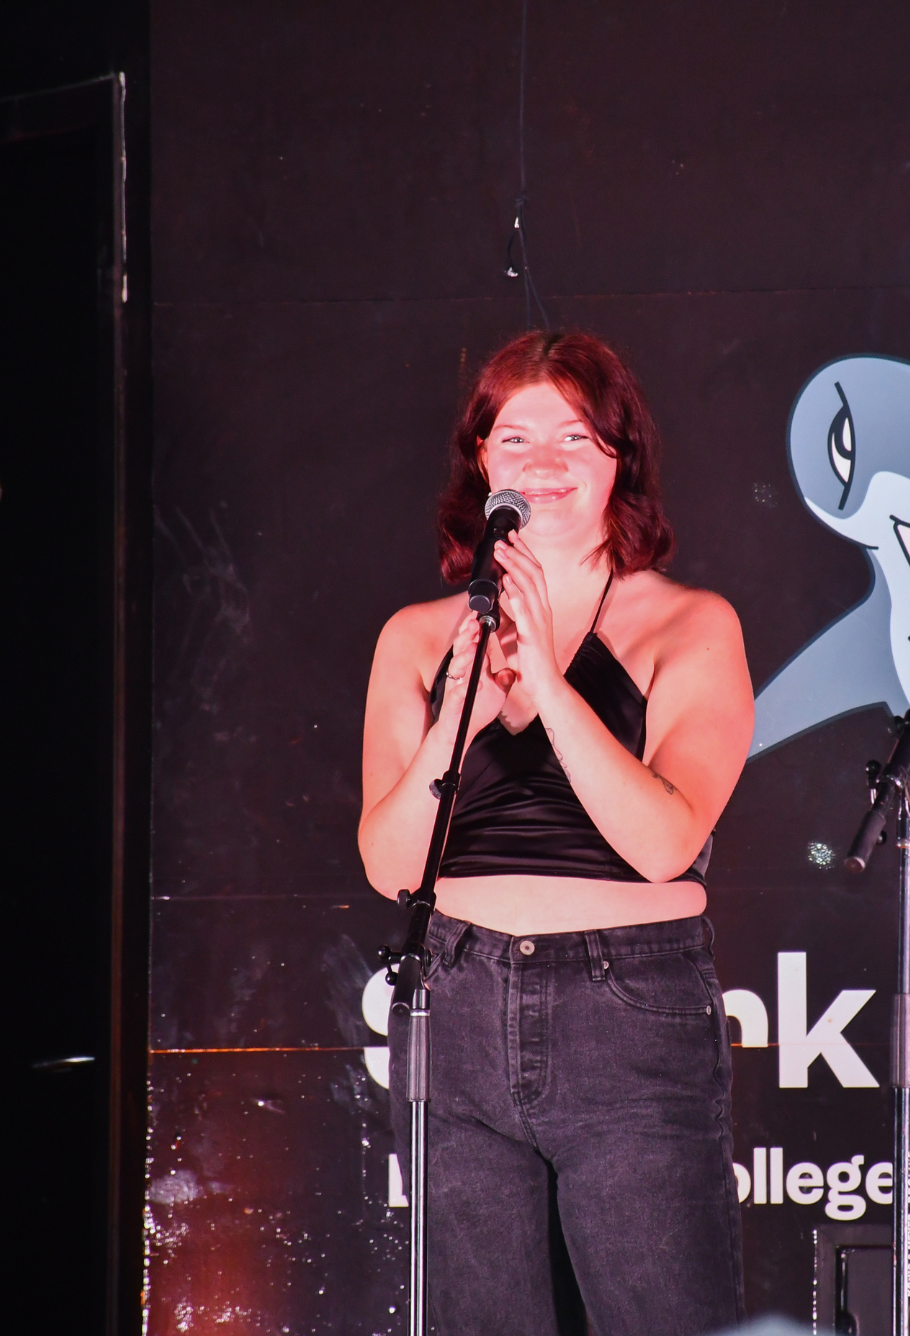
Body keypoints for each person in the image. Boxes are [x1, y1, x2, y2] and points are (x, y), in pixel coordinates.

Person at [359, 329, 755, 1335]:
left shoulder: (690, 624)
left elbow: (666, 839)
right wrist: (464, 696)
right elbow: (392, 863)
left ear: (622, 459)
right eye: (516, 437)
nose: (543, 461)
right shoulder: (416, 637)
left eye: (575, 437)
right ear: (482, 465)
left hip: (624, 1009)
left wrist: (544, 683)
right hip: (455, 999)